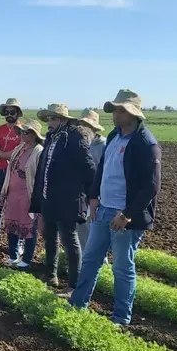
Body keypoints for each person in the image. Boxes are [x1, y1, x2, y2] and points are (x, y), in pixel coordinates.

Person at [68, 90, 162, 326]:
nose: (115, 114)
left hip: (125, 216)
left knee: (122, 266)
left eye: (121, 110)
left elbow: (151, 186)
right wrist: (93, 196)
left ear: (133, 113)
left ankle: (121, 317)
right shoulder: (114, 136)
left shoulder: (145, 143)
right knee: (90, 259)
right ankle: (77, 304)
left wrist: (128, 214)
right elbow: (103, 169)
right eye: (115, 109)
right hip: (104, 209)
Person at [30, 103, 96, 294]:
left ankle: (75, 284)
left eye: (53, 119)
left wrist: (88, 194)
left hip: (68, 199)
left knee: (69, 240)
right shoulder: (51, 137)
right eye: (48, 119)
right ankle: (51, 275)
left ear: (64, 120)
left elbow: (89, 167)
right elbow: (45, 167)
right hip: (48, 198)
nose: (49, 123)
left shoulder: (74, 138)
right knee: (50, 238)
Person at [0, 118, 44, 270]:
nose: (23, 134)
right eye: (22, 132)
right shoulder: (19, 148)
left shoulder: (39, 151)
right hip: (12, 193)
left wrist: (37, 199)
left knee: (28, 228)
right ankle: (13, 255)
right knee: (11, 225)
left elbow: (39, 177)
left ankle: (27, 258)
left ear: (34, 134)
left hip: (27, 194)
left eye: (27, 132)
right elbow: (10, 172)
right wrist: (3, 193)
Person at [0, 98, 23, 251]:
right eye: (6, 112)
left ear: (18, 113)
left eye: (12, 112)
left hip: (16, 173)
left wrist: (2, 154)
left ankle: (19, 242)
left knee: (17, 207)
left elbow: (19, 153)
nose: (9, 114)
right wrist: (4, 155)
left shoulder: (24, 131)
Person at [76, 108, 107, 254]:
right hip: (80, 195)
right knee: (81, 230)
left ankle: (101, 262)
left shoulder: (104, 145)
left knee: (96, 233)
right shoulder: (78, 143)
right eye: (82, 125)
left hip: (97, 196)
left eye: (88, 126)